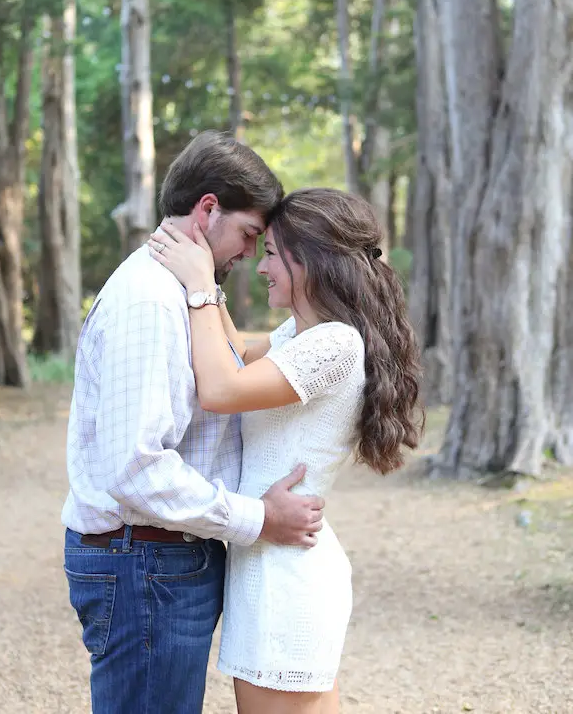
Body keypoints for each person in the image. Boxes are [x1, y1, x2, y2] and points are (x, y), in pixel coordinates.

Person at [62, 132, 326, 714]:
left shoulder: (183, 294)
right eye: (249, 235)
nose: (250, 255)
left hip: (160, 561)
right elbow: (136, 467)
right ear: (208, 209)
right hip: (145, 562)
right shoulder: (151, 302)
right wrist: (259, 519)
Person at [148, 186, 424, 714]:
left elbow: (224, 389)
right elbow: (233, 354)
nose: (261, 266)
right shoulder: (302, 335)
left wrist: (202, 284)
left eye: (272, 252)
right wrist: (203, 277)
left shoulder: (334, 344)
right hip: (273, 559)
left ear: (312, 261)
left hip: (287, 574)